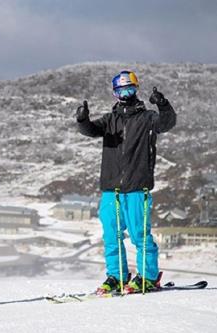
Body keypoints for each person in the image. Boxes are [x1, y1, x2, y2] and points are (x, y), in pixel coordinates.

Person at [75, 70, 176, 295]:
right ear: (115, 94)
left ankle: (148, 277)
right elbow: (90, 130)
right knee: (111, 235)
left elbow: (168, 122)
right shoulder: (110, 120)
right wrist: (82, 119)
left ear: (136, 89)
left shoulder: (148, 118)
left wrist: (163, 105)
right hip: (112, 189)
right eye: (121, 90)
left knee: (140, 234)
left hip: (137, 187)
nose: (126, 94)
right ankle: (117, 276)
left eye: (130, 89)